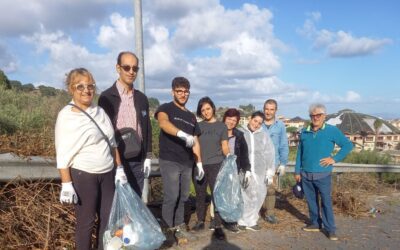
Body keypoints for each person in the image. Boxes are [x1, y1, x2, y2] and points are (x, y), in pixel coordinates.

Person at [55, 68, 127, 250]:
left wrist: (119, 169)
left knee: (108, 220)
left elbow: (112, 143)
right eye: (80, 86)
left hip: (107, 173)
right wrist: (66, 183)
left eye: (90, 86)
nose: (86, 90)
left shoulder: (100, 112)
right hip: (84, 174)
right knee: (86, 223)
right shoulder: (67, 115)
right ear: (71, 89)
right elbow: (62, 151)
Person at [155, 77, 204, 245]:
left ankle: (179, 227)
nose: (183, 94)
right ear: (173, 92)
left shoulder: (191, 116)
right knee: (171, 196)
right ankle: (168, 231)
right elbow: (163, 123)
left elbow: (196, 141)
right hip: (170, 159)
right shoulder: (165, 108)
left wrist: (199, 163)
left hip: (187, 162)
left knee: (183, 196)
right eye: (179, 91)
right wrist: (182, 134)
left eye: (186, 92)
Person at [295, 103, 353, 241]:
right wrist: (297, 171)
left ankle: (330, 229)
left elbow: (348, 145)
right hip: (306, 174)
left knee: (326, 202)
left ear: (324, 116)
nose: (315, 118)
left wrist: (334, 159)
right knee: (311, 201)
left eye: (318, 115)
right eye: (312, 115)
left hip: (323, 174)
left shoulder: (332, 131)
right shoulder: (305, 131)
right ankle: (315, 223)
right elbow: (299, 153)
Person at [98, 51, 152, 197]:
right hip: (116, 160)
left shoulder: (141, 98)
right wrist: (116, 163)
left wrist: (148, 155)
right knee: (117, 204)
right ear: (118, 68)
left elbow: (147, 128)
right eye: (127, 67)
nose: (131, 72)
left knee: (136, 203)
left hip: (137, 160)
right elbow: (104, 130)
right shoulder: (107, 97)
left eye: (135, 68)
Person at [191, 97, 229, 240]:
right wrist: (198, 163)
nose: (206, 112)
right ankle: (200, 221)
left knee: (216, 195)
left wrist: (229, 157)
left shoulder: (221, 126)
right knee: (200, 194)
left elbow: (224, 145)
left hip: (216, 164)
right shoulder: (197, 126)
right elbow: (194, 145)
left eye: (208, 109)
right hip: (199, 165)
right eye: (202, 110)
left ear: (213, 108)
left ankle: (217, 224)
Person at [238, 111, 275, 231]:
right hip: (244, 170)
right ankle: (241, 220)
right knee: (243, 195)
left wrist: (270, 171)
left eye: (260, 123)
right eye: (255, 121)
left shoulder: (264, 136)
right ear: (250, 119)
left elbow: (269, 153)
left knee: (257, 195)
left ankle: (252, 220)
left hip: (259, 171)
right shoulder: (240, 133)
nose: (257, 124)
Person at [221, 108, 252, 232]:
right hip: (219, 168)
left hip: (234, 169)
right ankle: (217, 220)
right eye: (229, 119)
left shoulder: (239, 135)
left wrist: (247, 169)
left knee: (232, 195)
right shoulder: (218, 132)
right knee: (219, 194)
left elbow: (244, 154)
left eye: (234, 120)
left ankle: (231, 221)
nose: (231, 122)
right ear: (224, 118)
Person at [261, 99, 289, 224]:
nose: (268, 112)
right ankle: (255, 212)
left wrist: (283, 163)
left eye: (271, 109)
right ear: (263, 109)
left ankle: (269, 214)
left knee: (270, 189)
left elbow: (283, 145)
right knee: (257, 188)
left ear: (275, 111)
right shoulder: (258, 123)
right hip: (258, 162)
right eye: (267, 109)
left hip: (273, 162)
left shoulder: (280, 126)